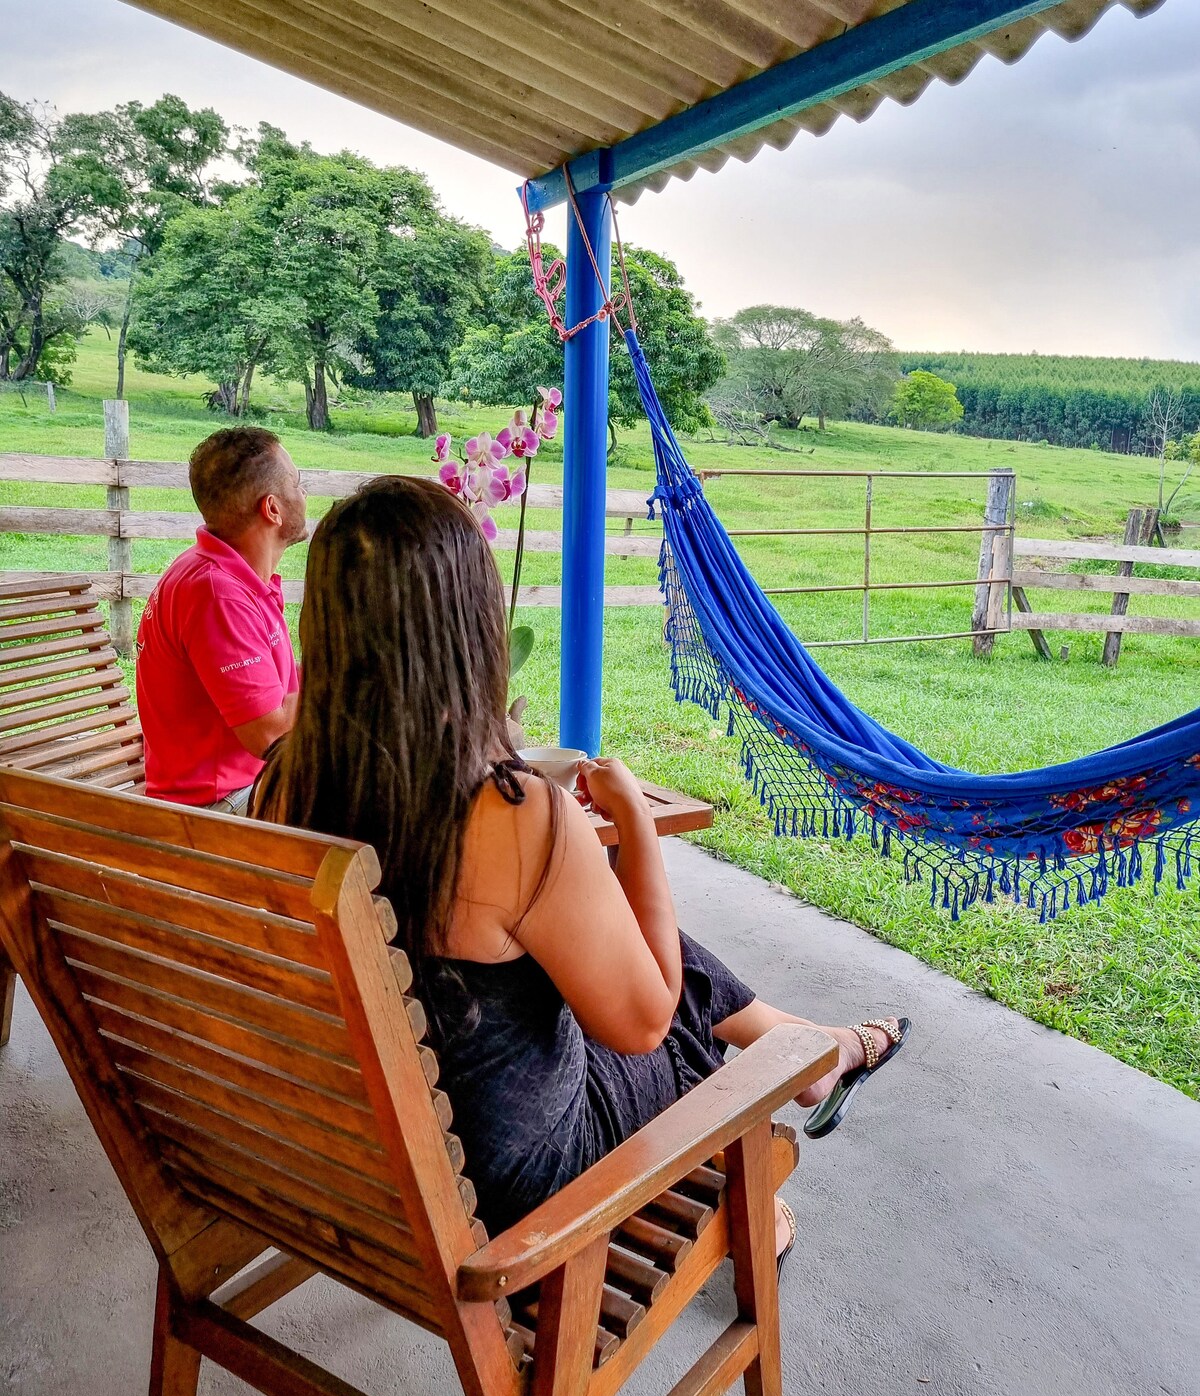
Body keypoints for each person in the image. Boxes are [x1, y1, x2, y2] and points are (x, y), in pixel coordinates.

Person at [253, 476, 908, 1264]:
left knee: (628, 944)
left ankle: (814, 1051)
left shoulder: (283, 784)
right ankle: (760, 1171)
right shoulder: (513, 816)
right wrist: (634, 825)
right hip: (513, 1197)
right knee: (676, 1006)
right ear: (468, 627)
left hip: (376, 1151)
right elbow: (643, 1027)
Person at [136, 427, 307, 812]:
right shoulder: (218, 595)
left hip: (236, 789)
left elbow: (275, 691)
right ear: (272, 508)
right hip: (217, 808)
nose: (304, 493)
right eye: (297, 483)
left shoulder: (226, 576)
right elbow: (271, 736)